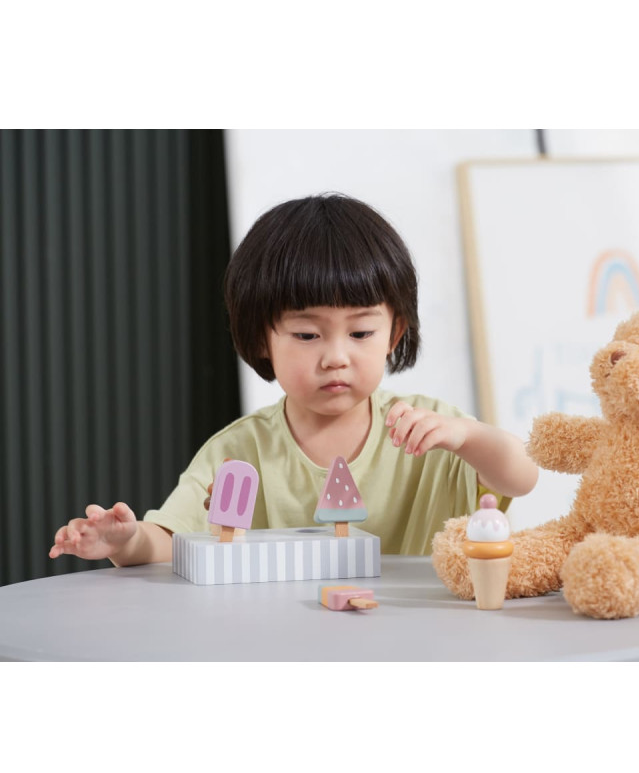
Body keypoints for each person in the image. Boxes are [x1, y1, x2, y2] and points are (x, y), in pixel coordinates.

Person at [50, 194, 539, 565]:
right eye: (307, 335)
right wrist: (126, 541)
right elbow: (170, 541)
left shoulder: (431, 429)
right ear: (261, 339)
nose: (336, 358)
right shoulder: (239, 451)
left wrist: (466, 436)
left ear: (394, 335)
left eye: (361, 332)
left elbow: (522, 475)